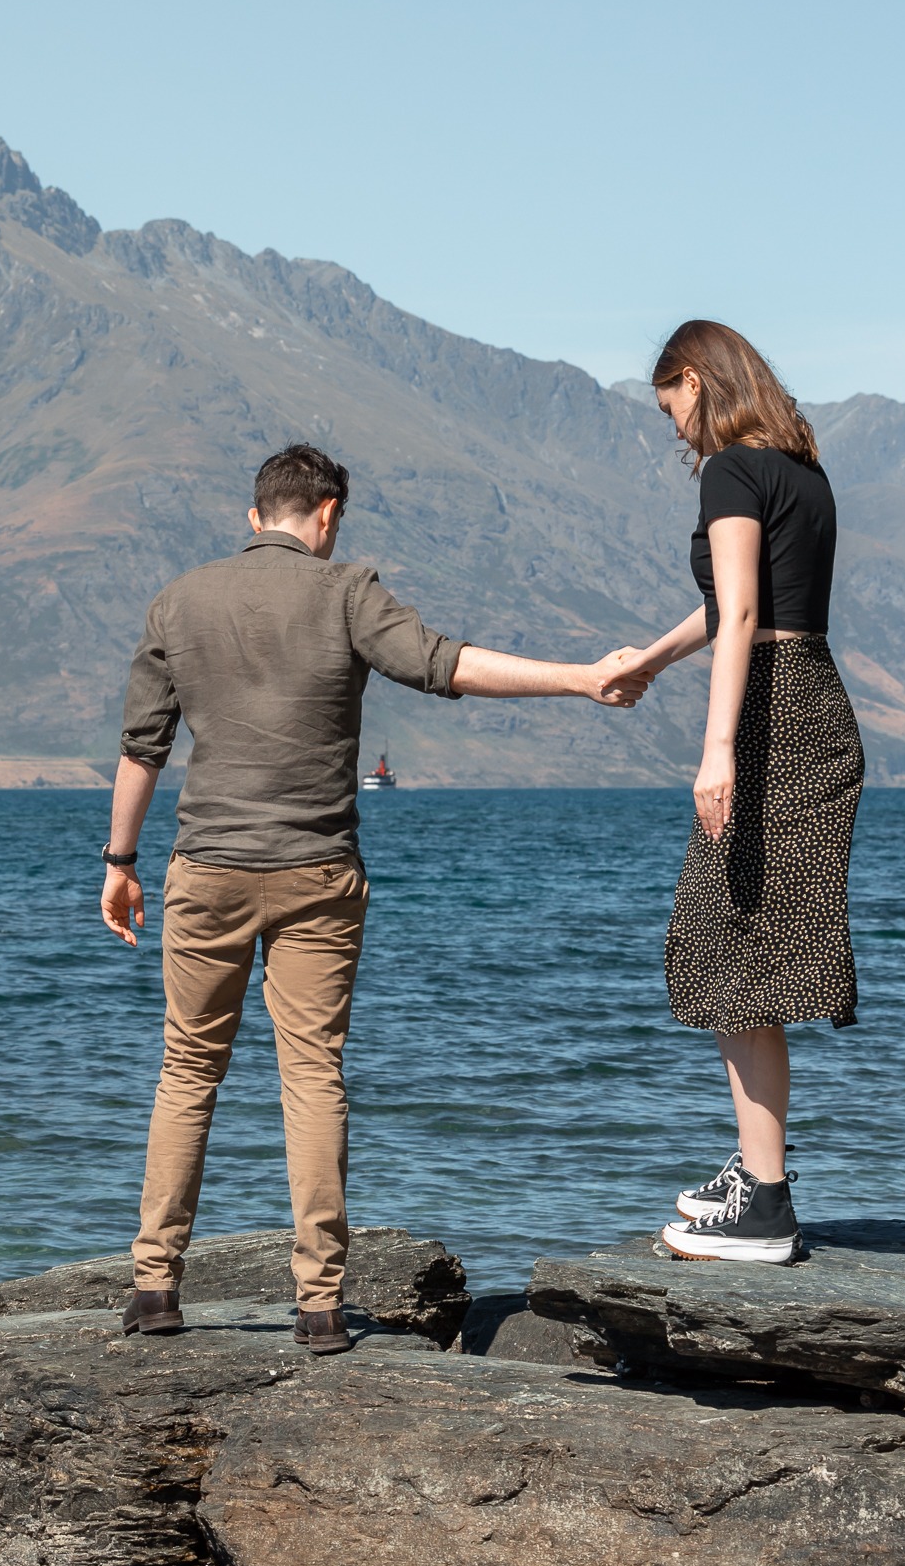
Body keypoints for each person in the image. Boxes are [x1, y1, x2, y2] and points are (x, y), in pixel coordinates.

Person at [99, 442, 646, 1352]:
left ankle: (155, 1288)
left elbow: (140, 750)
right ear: (325, 515)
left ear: (252, 515)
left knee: (188, 1072)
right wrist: (581, 677)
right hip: (318, 874)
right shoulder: (346, 591)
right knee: (311, 1076)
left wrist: (120, 861)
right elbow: (446, 664)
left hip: (208, 870)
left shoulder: (178, 602)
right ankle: (318, 1306)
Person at [615, 322, 864, 1266]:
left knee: (731, 950)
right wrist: (647, 659)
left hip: (769, 716)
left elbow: (747, 615)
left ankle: (765, 1207)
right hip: (814, 704)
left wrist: (716, 748)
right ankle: (758, 1174)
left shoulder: (729, 472)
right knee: (742, 950)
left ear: (693, 381)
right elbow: (738, 601)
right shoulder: (802, 472)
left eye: (670, 407)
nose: (674, 431)